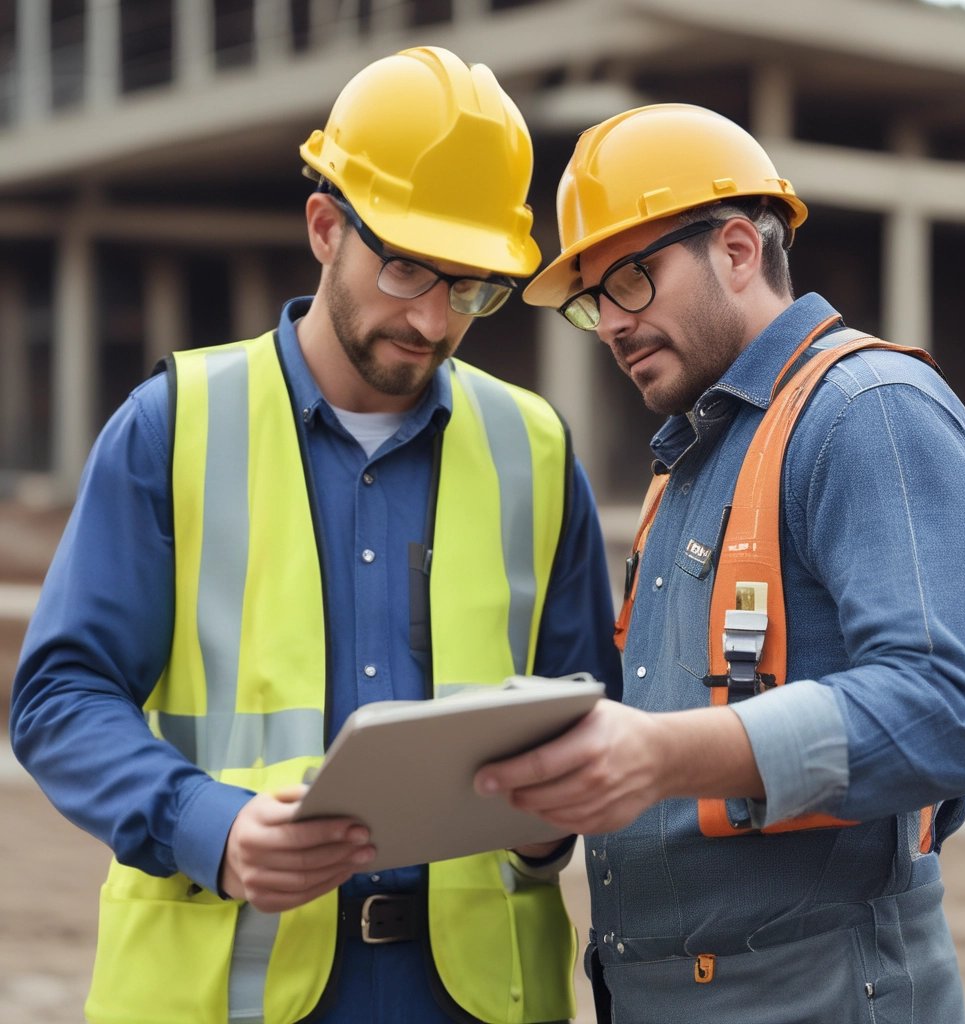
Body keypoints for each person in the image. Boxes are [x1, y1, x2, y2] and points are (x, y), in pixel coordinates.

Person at [10, 47, 622, 1024]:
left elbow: (588, 716)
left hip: (471, 998)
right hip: (227, 994)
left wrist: (549, 824)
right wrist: (214, 827)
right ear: (325, 225)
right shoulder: (175, 427)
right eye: (408, 266)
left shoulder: (534, 449)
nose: (431, 318)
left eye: (469, 286)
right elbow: (59, 697)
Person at [475, 103, 965, 1023]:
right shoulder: (691, 458)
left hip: (821, 993)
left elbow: (947, 712)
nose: (610, 324)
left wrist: (661, 756)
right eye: (593, 298)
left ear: (735, 249)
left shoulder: (868, 411)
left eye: (632, 279)